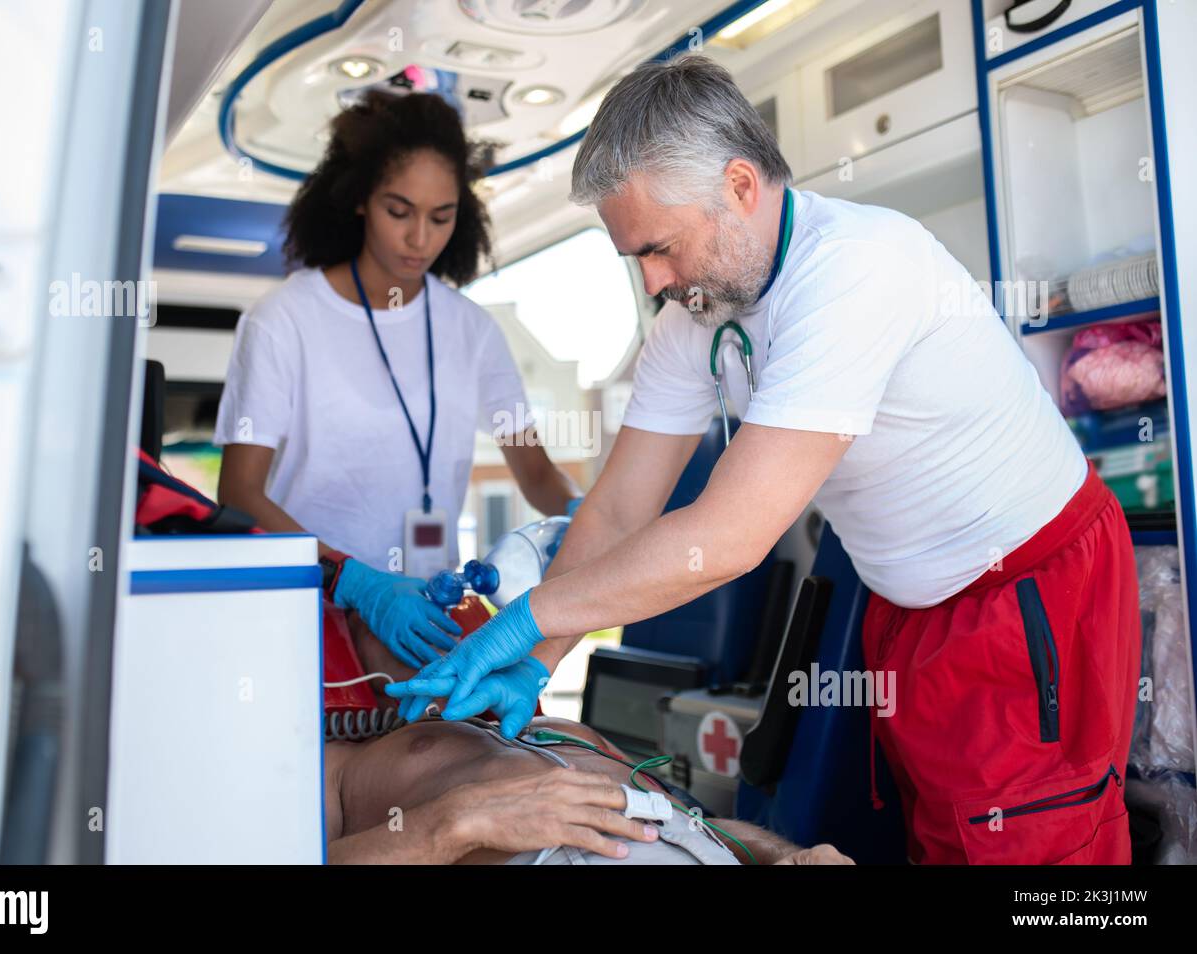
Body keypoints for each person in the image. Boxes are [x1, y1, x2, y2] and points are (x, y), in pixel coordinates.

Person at [386, 55, 1141, 865]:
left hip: (1023, 589)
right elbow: (617, 508)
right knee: (941, 835)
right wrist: (539, 661)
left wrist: (535, 616)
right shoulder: (693, 314)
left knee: (1034, 850)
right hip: (905, 602)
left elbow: (733, 536)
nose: (653, 281)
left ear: (741, 187)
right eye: (634, 258)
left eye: (662, 248)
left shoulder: (858, 267)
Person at [212, 91, 580, 668]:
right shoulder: (284, 320)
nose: (419, 240)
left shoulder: (471, 330)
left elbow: (533, 470)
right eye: (398, 210)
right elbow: (238, 492)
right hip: (308, 608)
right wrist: (355, 582)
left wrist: (585, 517)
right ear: (360, 199)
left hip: (428, 619)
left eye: (441, 216)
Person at [325, 616, 852, 865]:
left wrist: (791, 857)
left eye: (446, 626)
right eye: (417, 630)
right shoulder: (334, 768)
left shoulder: (568, 735)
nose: (443, 636)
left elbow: (698, 828)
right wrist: (453, 822)